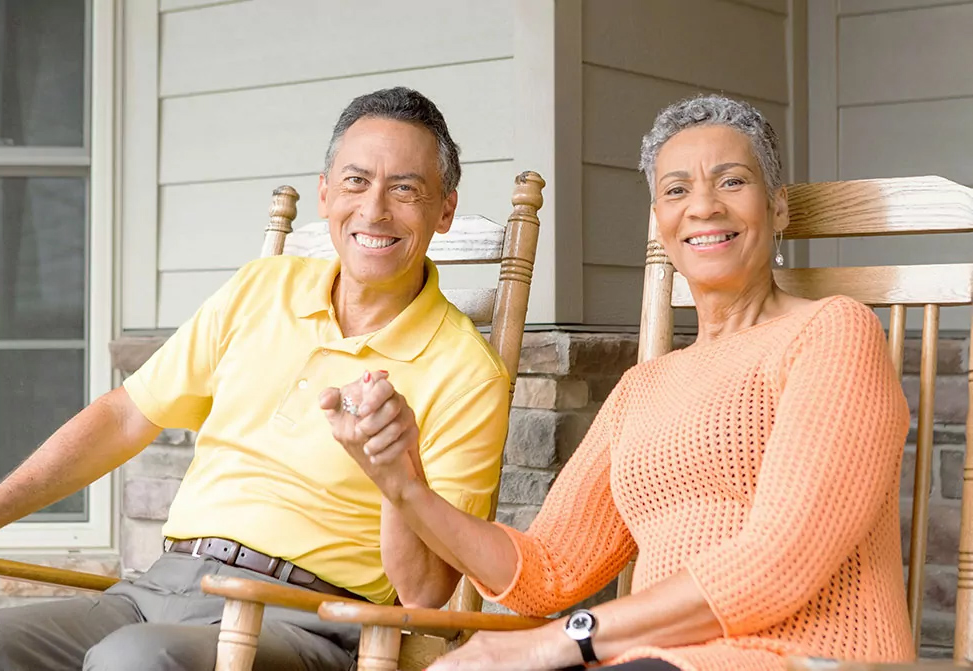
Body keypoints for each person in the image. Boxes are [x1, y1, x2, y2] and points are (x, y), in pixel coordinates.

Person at [341, 94, 913, 671]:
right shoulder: (643, 387)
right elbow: (548, 572)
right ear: (659, 220)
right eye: (676, 190)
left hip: (804, 656)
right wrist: (406, 484)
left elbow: (780, 563)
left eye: (732, 181)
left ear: (778, 206)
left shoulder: (833, 333)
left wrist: (552, 642)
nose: (703, 207)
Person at [0, 87, 511, 671]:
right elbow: (126, 416)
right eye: (356, 181)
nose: (375, 209)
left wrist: (394, 469)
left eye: (405, 188)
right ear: (325, 193)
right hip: (158, 591)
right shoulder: (263, 287)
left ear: (446, 210)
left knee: (134, 660)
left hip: (305, 620)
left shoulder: (467, 373)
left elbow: (425, 594)